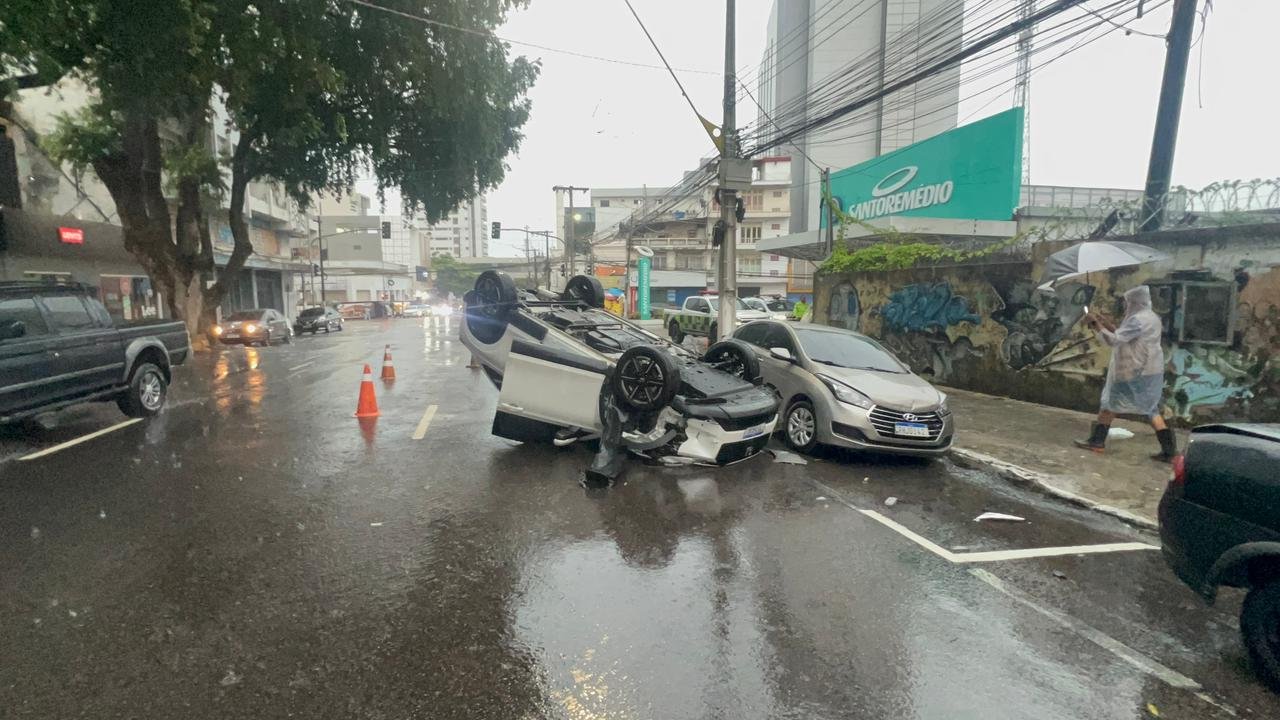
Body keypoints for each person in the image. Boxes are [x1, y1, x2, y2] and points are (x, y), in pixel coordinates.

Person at [1074, 285, 1177, 461]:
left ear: (1134, 302)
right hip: (1150, 372)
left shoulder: (1137, 319)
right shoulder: (1152, 317)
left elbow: (1115, 340)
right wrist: (1105, 323)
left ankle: (1097, 442)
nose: (1126, 306)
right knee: (1151, 409)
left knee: (1110, 405)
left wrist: (1095, 324)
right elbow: (1125, 335)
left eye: (1128, 302)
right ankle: (1169, 451)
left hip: (1132, 371)